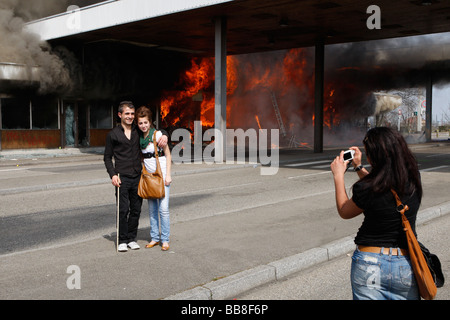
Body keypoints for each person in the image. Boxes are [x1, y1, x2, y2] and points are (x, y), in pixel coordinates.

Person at [330, 127, 422, 300]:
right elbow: (380, 185)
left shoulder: (367, 189)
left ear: (376, 157)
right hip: (405, 264)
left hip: (369, 263)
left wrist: (338, 176)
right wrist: (358, 166)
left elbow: (344, 210)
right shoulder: (413, 180)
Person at [104, 101, 168, 252]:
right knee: (123, 210)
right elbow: (107, 157)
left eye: (132, 114)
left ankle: (132, 238)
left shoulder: (137, 131)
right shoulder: (113, 135)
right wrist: (112, 175)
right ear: (120, 115)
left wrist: (165, 134)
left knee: (136, 210)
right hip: (122, 177)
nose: (130, 116)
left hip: (138, 177)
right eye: (127, 114)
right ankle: (122, 240)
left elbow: (153, 131)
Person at [135, 106, 172, 251]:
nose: (143, 125)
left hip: (162, 176)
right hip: (149, 178)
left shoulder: (157, 135)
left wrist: (168, 175)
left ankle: (165, 240)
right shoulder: (139, 138)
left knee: (163, 209)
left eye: (145, 122)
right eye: (140, 123)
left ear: (150, 122)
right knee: (152, 210)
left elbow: (168, 155)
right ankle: (155, 238)